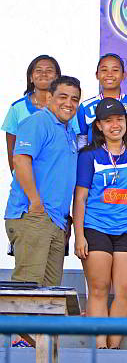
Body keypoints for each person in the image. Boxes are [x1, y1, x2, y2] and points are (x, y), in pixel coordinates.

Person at [73, 98, 127, 349]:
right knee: (99, 289)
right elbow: (79, 198)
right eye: (108, 121)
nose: (115, 125)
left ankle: (113, 350)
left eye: (120, 119)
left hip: (126, 231)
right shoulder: (88, 155)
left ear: (126, 122)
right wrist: (79, 235)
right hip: (95, 228)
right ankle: (100, 348)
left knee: (125, 291)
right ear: (99, 126)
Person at [4, 76, 80, 286]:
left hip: (56, 220)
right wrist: (35, 201)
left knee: (49, 293)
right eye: (63, 97)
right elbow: (20, 160)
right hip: (34, 215)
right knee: (27, 289)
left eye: (74, 99)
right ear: (48, 97)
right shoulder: (37, 121)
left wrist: (65, 217)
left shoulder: (69, 131)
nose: (69, 103)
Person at [2, 55, 62, 172]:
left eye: (49, 71)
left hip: (57, 177)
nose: (43, 74)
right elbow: (11, 148)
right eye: (38, 71)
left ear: (57, 77)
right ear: (31, 78)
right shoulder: (17, 108)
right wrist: (17, 176)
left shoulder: (66, 107)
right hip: (27, 176)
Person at [76, 54, 127, 149]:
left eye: (115, 70)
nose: (109, 74)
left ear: (124, 75)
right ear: (97, 75)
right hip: (95, 161)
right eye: (104, 70)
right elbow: (82, 140)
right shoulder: (85, 107)